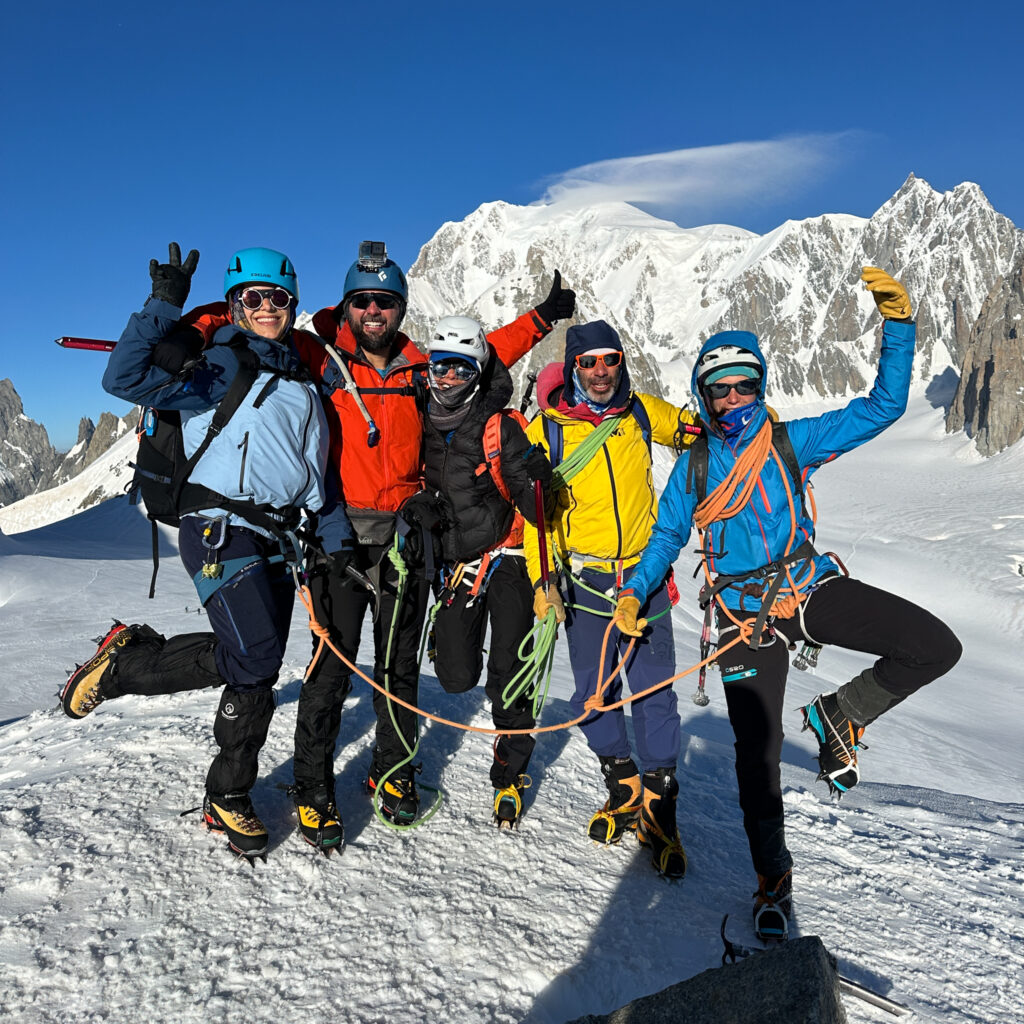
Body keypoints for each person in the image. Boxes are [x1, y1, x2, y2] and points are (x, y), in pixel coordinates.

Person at [619, 267, 962, 937]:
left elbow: (883, 407)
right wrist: (635, 591)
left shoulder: (787, 443)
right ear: (704, 396)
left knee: (933, 647)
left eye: (745, 384)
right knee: (758, 752)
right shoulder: (694, 466)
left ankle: (841, 713)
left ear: (761, 384)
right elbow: (665, 536)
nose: (734, 398)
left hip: (806, 589)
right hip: (741, 616)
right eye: (721, 389)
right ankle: (772, 878)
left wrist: (897, 327)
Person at [60, 244, 353, 859]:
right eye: (255, 298)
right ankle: (130, 671)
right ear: (236, 304)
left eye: (279, 299)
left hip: (279, 536)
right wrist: (162, 305)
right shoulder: (215, 368)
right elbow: (122, 376)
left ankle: (229, 791)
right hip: (219, 527)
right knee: (255, 652)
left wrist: (335, 545)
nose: (268, 307)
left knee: (257, 666)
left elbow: (317, 478)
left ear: (292, 305)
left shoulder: (302, 383)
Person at [290, 244, 576, 827]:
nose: (374, 311)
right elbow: (256, 327)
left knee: (398, 666)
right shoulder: (318, 359)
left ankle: (390, 770)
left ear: (400, 308)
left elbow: (482, 352)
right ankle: (311, 783)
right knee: (332, 665)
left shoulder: (422, 365)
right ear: (347, 306)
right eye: (363, 301)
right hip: (340, 535)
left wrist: (543, 319)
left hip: (405, 537)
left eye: (386, 302)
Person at [524, 320, 699, 877]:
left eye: (610, 359)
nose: (601, 371)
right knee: (591, 697)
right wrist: (541, 580)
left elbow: (698, 431)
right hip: (587, 581)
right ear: (572, 366)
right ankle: (621, 780)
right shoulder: (545, 431)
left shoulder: (643, 413)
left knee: (655, 695)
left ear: (622, 362)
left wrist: (737, 419)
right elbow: (535, 516)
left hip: (645, 579)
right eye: (588, 362)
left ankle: (658, 805)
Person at [412, 316, 553, 827]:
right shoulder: (419, 417)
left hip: (508, 558)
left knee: (508, 677)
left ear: (475, 374)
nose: (446, 379)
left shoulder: (499, 425)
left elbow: (535, 506)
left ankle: (509, 776)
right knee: (454, 677)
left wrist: (538, 487)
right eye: (438, 368)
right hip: (459, 565)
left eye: (458, 369)